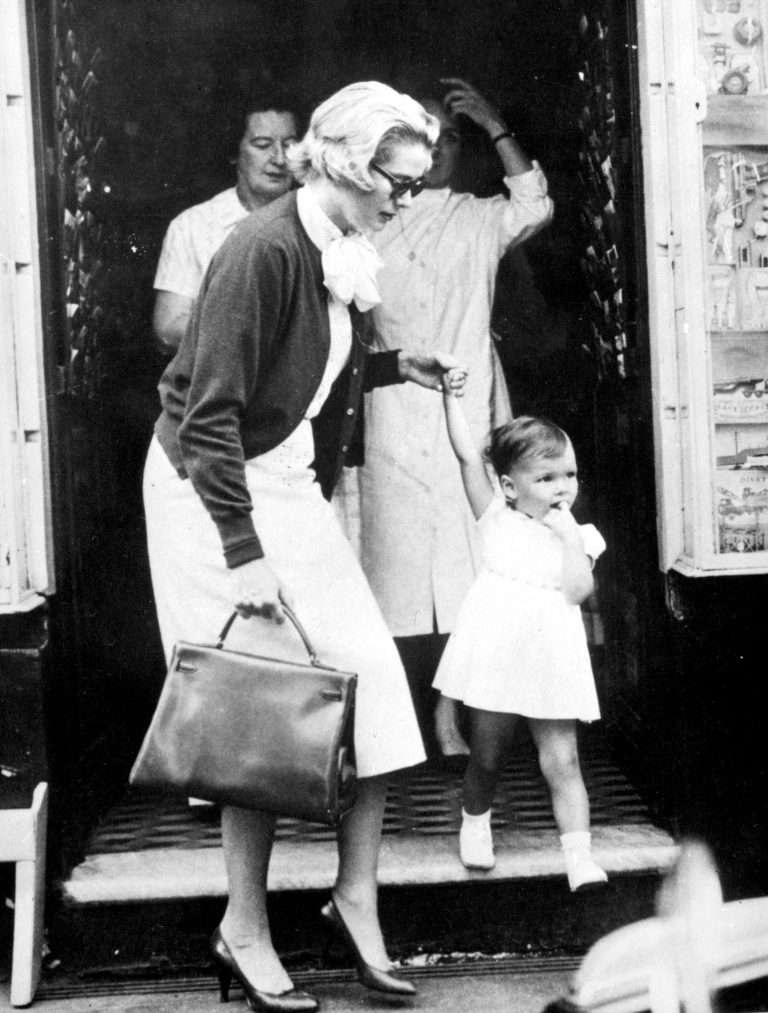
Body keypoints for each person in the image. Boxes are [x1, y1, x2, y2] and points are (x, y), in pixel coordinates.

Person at [142, 81, 468, 1011]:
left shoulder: (341, 243)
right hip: (213, 492)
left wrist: (393, 364)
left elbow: (300, 360)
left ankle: (353, 898)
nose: (405, 200)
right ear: (346, 166)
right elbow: (208, 415)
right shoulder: (262, 247)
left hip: (284, 483)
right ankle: (243, 927)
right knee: (262, 707)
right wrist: (244, 554)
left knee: (369, 689)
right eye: (395, 183)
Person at [342, 78, 553, 760]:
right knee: (388, 571)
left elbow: (535, 201)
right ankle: (386, 723)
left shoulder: (478, 215)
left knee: (471, 570)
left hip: (465, 407)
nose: (436, 151)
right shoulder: (366, 219)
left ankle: (445, 711)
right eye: (423, 136)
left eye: (450, 137)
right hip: (386, 409)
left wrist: (496, 122)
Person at [433, 385, 608, 892]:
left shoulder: (582, 536)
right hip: (499, 649)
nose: (562, 487)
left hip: (551, 652)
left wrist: (571, 537)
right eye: (546, 477)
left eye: (569, 475)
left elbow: (576, 592)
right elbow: (469, 455)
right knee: (488, 754)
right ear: (510, 487)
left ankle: (578, 855)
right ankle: (475, 821)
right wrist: (450, 397)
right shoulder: (496, 519)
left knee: (562, 759)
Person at [152, 93, 300, 355]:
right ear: (234, 152)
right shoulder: (193, 227)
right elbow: (168, 328)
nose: (279, 159)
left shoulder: (315, 221)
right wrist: (252, 338)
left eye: (289, 144)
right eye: (263, 145)